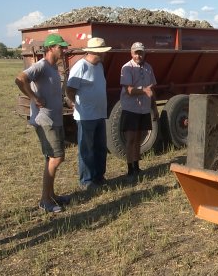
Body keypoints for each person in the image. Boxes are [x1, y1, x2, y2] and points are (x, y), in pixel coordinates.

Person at [15, 33, 70, 213]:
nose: (63, 50)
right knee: (56, 157)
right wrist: (34, 97)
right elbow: (20, 79)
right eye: (60, 47)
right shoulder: (41, 66)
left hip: (55, 119)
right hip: (44, 120)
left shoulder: (53, 68)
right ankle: (45, 200)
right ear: (50, 48)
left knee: (51, 158)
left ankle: (51, 196)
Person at [66, 37, 111, 190]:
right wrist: (76, 104)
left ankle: (99, 177)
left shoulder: (99, 66)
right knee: (86, 149)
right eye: (103, 52)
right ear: (94, 52)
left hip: (99, 114)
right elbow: (70, 90)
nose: (105, 54)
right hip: (86, 116)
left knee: (100, 147)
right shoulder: (81, 66)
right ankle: (86, 181)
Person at [120, 42, 158, 180]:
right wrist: (143, 91)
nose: (138, 55)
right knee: (131, 139)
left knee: (139, 139)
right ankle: (130, 169)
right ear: (131, 53)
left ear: (144, 53)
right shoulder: (127, 68)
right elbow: (129, 90)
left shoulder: (148, 68)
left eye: (140, 53)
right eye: (136, 53)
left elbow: (151, 90)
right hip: (131, 108)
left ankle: (137, 166)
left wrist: (154, 108)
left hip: (144, 109)